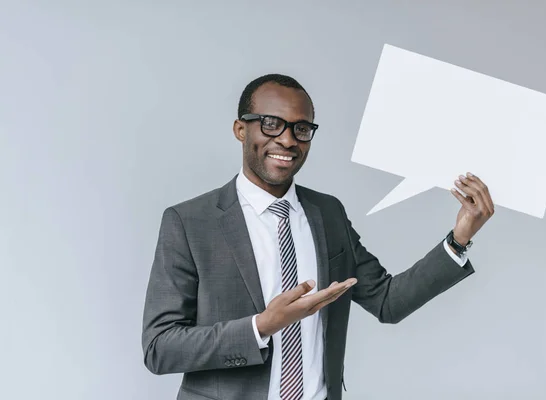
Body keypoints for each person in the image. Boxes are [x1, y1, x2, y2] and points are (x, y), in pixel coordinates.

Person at [141, 73, 495, 400]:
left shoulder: (328, 214)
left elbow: (388, 301)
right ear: (240, 129)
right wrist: (261, 326)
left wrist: (460, 237)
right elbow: (160, 348)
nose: (287, 139)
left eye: (301, 129)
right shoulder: (190, 222)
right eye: (271, 124)